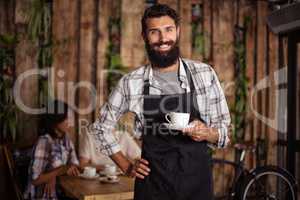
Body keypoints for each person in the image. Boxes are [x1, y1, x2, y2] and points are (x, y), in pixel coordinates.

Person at [90, 4, 231, 200]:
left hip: (197, 187)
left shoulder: (204, 74)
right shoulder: (132, 83)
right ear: (144, 36)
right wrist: (126, 165)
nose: (163, 39)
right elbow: (100, 129)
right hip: (153, 188)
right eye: (154, 32)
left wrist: (208, 133)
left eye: (168, 30)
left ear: (178, 31)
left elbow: (224, 133)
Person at [24, 100, 80, 200]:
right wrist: (56, 173)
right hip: (41, 196)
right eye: (66, 118)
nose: (69, 121)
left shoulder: (65, 139)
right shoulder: (44, 142)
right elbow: (35, 179)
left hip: (61, 193)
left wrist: (53, 176)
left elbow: (74, 164)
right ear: (55, 120)